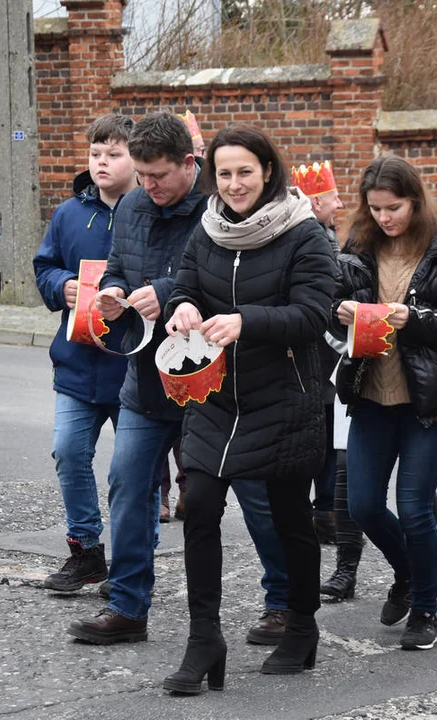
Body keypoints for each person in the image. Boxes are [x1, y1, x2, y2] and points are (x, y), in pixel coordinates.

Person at [67, 112, 294, 647]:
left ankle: (282, 602)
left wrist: (166, 292)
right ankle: (127, 606)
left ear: (190, 165)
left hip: (215, 383)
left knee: (256, 494)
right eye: (142, 176)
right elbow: (119, 265)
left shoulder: (221, 212)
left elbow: (231, 290)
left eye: (160, 176)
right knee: (126, 485)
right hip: (146, 382)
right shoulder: (131, 207)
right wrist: (116, 292)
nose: (149, 187)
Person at [161, 124, 337, 694]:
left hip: (284, 398)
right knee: (201, 507)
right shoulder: (207, 227)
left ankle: (302, 626)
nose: (234, 184)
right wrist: (182, 308)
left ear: (268, 172)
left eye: (246, 172)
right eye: (225, 173)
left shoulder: (304, 233)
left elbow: (316, 314)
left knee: (290, 521)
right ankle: (204, 639)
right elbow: (186, 283)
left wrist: (247, 321)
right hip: (216, 398)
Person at [334, 155, 437, 651]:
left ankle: (424, 609)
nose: (385, 217)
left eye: (394, 207)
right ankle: (408, 574)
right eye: (376, 208)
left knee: (416, 509)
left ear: (416, 200)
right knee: (362, 506)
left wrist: (414, 317)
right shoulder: (358, 244)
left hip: (430, 397)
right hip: (371, 393)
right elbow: (329, 304)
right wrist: (339, 312)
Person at [32, 115, 137, 593]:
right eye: (95, 153)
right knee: (70, 454)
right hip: (76, 364)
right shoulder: (69, 214)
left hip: (132, 368)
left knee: (126, 472)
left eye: (113, 154)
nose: (102, 162)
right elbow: (44, 266)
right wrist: (61, 285)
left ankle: (134, 562)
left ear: (135, 158)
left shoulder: (150, 212)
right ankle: (86, 552)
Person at [292, 161, 345, 546]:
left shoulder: (326, 235)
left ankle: (322, 509)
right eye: (333, 197)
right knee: (325, 441)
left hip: (320, 355)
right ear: (314, 203)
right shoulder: (321, 241)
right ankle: (324, 510)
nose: (340, 203)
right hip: (324, 358)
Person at [159, 109, 206, 525]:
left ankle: (189, 487)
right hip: (148, 351)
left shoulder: (210, 210)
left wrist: (171, 296)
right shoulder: (138, 205)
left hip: (199, 346)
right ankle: (162, 492)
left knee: (187, 430)